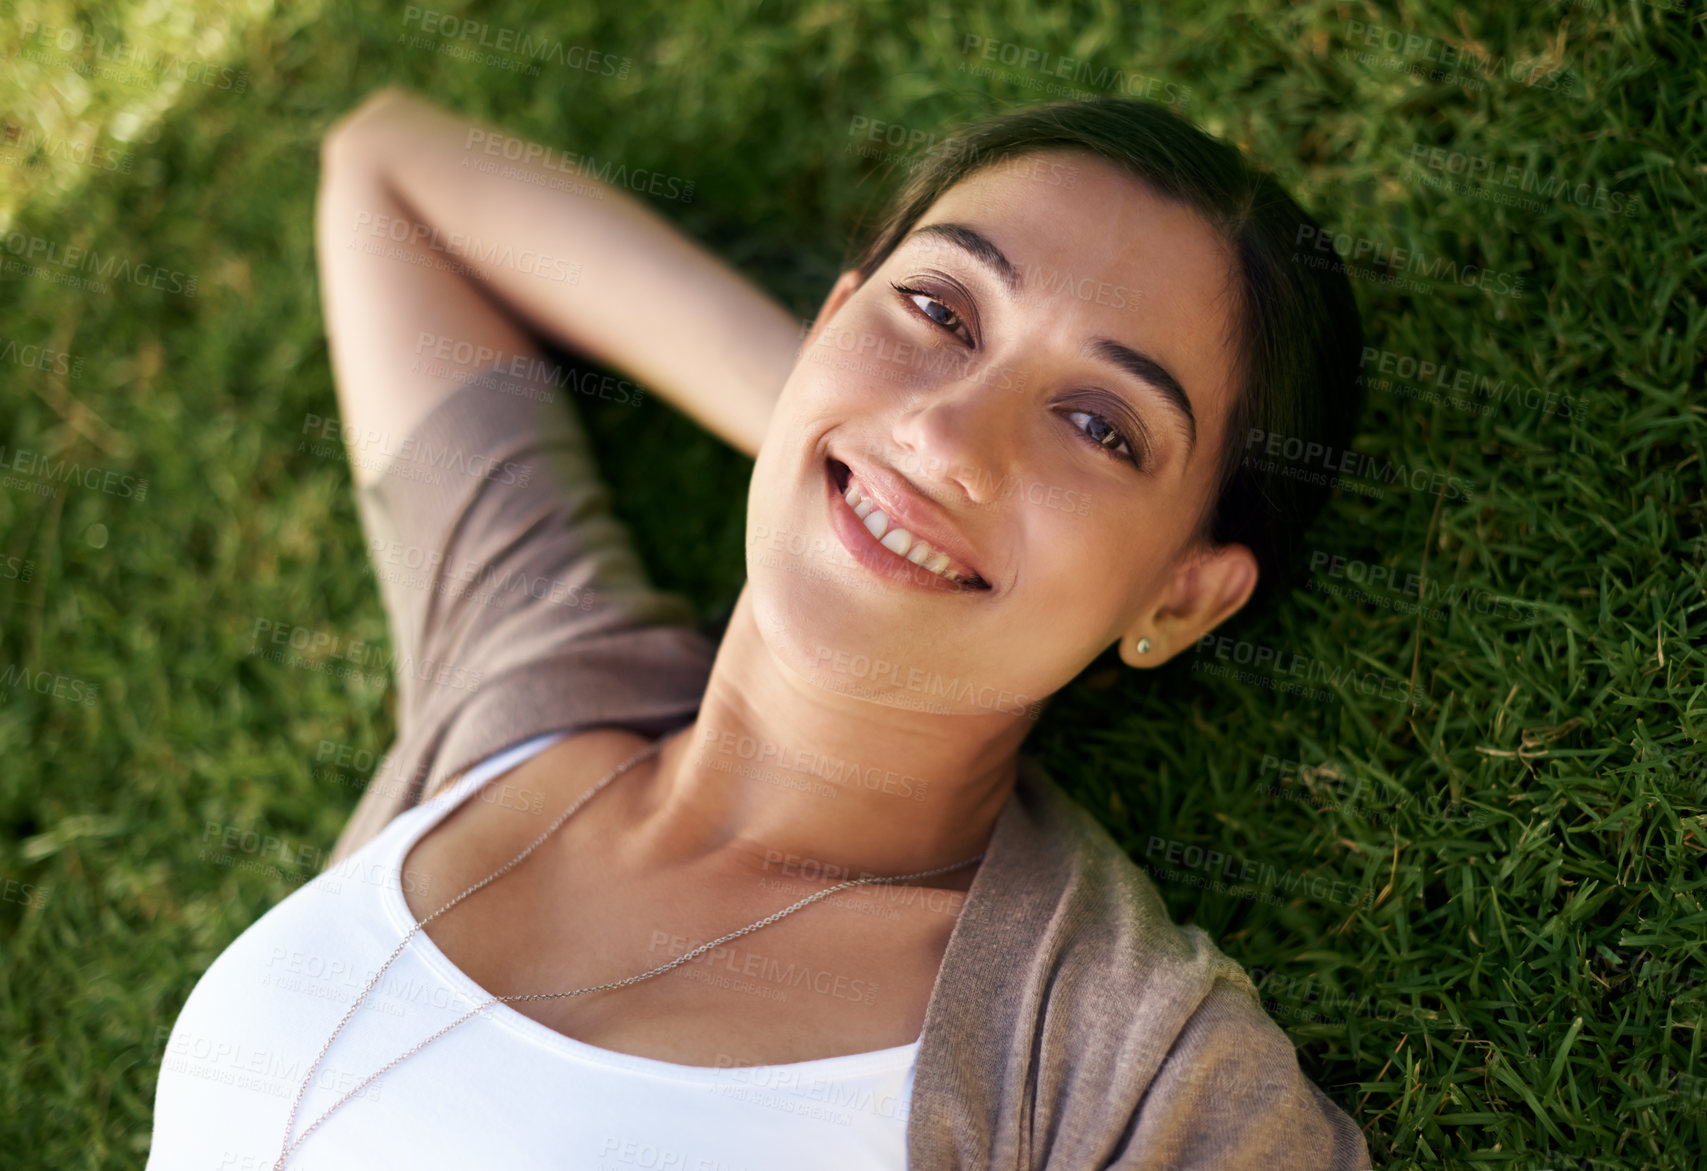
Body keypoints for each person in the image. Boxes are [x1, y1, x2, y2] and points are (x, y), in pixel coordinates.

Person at [147, 86, 1372, 1170]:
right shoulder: (527, 671)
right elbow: (392, 171)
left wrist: (880, 465)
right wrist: (841, 435)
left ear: (1180, 596)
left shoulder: (1115, 1062)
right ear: (837, 321)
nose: (949, 435)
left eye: (1100, 427)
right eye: (941, 310)